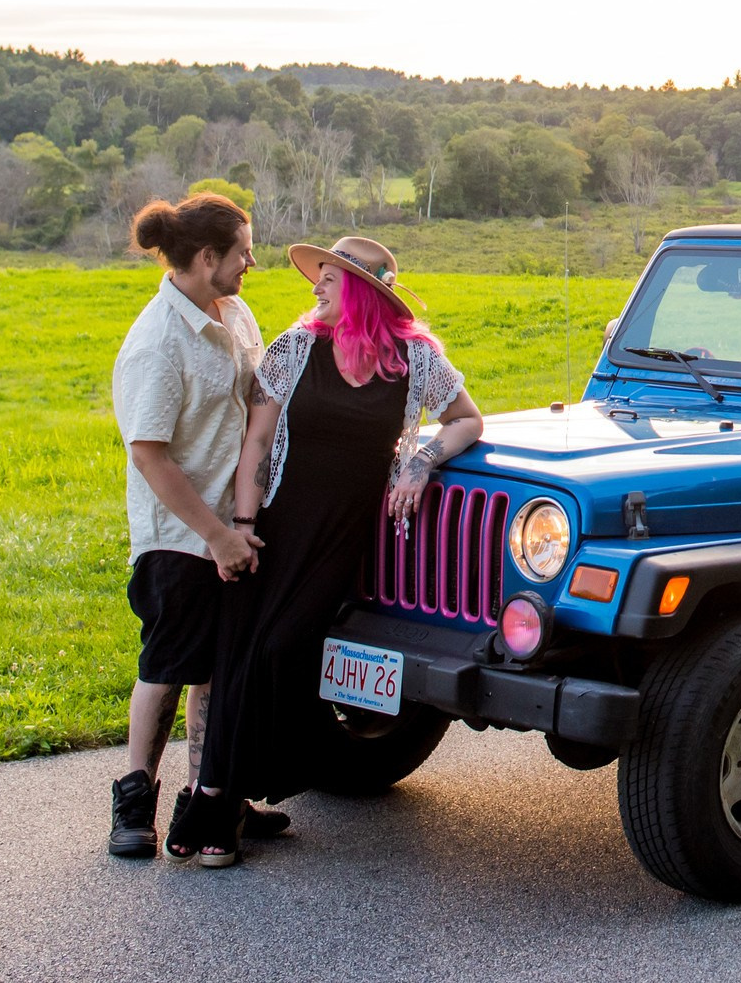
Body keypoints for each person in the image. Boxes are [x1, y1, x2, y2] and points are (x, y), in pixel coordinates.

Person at [174, 235, 484, 865]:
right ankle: (216, 804)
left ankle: (224, 798)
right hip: (277, 523)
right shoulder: (294, 349)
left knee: (279, 650)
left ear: (364, 292)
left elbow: (466, 419)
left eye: (330, 278)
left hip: (344, 539)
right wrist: (242, 524)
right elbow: (257, 443)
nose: (316, 285)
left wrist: (421, 460)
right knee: (242, 651)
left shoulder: (415, 359)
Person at [107, 191, 276, 860]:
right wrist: (216, 535)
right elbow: (149, 455)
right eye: (243, 252)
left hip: (231, 525)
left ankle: (207, 802)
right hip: (180, 534)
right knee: (168, 666)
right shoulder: (157, 342)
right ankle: (134, 804)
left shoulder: (235, 313)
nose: (252, 263)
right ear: (207, 257)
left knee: (217, 670)